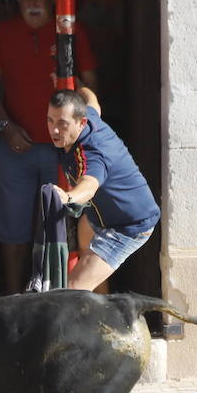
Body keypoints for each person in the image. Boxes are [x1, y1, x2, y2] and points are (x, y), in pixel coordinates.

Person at [0, 0, 98, 295]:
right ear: (17, 1)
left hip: (61, 149)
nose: (33, 2)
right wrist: (6, 127)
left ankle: (55, 299)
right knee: (12, 232)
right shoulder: (4, 33)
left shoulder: (70, 31)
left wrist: (80, 121)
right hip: (16, 146)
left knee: (60, 228)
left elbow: (92, 85)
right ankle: (11, 298)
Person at [46, 87, 159, 292]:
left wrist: (68, 196)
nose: (54, 130)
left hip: (128, 226)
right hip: (100, 216)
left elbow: (89, 185)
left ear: (80, 123)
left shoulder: (93, 152)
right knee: (85, 233)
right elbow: (92, 100)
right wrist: (79, 87)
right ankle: (99, 308)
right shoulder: (88, 116)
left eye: (62, 124)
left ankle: (101, 316)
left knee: (72, 289)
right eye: (50, 121)